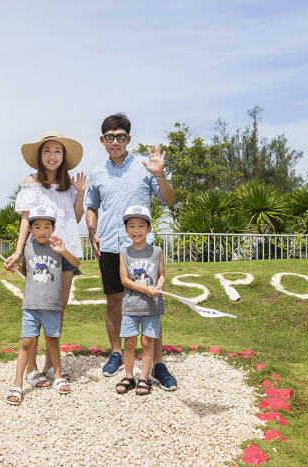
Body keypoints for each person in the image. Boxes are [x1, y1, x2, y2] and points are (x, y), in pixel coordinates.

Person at [85, 112, 178, 391]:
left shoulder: (144, 165)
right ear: (102, 140)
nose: (115, 142)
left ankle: (158, 363)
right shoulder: (97, 172)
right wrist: (92, 232)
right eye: (110, 137)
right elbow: (91, 206)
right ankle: (116, 353)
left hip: (141, 248)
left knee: (151, 304)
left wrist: (159, 175)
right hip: (111, 246)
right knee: (114, 302)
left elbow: (168, 198)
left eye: (121, 137)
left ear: (129, 139)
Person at [4, 130, 87, 388]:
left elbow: (75, 217)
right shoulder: (31, 181)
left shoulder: (68, 184)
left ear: (64, 156)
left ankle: (52, 366)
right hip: (39, 252)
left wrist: (81, 192)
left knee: (57, 310)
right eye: (47, 151)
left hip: (66, 250)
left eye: (58, 151)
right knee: (36, 307)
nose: (53, 156)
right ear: (40, 155)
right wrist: (18, 252)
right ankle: (31, 368)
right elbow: (25, 219)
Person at [5, 205, 80, 405]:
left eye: (47, 227)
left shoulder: (57, 248)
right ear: (30, 229)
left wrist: (64, 251)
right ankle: (18, 383)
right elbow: (23, 270)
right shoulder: (27, 250)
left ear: (53, 228)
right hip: (31, 305)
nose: (42, 231)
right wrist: (13, 265)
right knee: (26, 343)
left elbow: (77, 262)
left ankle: (57, 376)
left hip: (52, 306)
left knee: (53, 342)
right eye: (37, 227)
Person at [115, 206, 166, 396]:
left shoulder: (157, 251)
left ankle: (144, 378)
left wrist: (158, 287)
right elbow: (124, 280)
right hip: (131, 306)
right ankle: (129, 376)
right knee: (129, 342)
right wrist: (145, 288)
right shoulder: (124, 252)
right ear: (127, 230)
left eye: (141, 226)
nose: (136, 230)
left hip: (151, 307)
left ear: (149, 228)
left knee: (147, 342)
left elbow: (162, 276)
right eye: (132, 226)